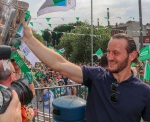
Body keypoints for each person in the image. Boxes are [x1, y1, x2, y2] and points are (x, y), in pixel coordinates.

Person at [22, 21, 150, 122]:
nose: (110, 57)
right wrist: (30, 39)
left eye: (116, 53)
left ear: (132, 56)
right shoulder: (96, 76)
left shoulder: (145, 92)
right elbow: (59, 64)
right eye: (108, 52)